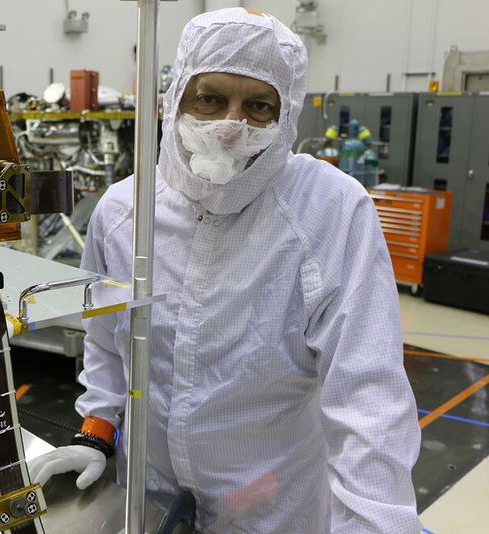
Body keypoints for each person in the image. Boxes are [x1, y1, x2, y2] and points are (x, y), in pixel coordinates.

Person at [29, 8, 421, 533]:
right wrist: (98, 430)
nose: (232, 126)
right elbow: (106, 336)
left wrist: (376, 522)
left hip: (271, 501)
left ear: (286, 115)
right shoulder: (126, 213)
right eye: (210, 99)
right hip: (150, 491)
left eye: (258, 106)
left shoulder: (328, 210)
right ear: (177, 99)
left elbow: (367, 394)